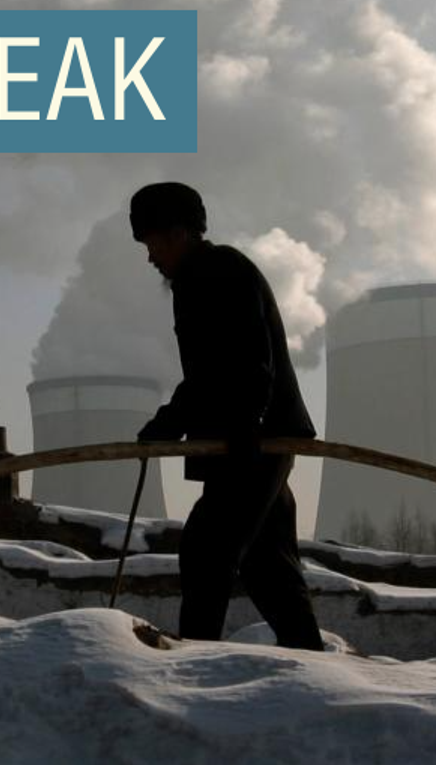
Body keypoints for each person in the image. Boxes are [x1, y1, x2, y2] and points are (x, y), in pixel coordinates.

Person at [129, 181, 324, 650]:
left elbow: (246, 365)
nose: (150, 256)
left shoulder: (219, 273)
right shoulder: (198, 278)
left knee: (205, 550)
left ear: (177, 233)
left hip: (254, 441)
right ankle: (311, 660)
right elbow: (208, 373)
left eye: (152, 242)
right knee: (266, 565)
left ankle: (195, 659)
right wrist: (169, 424)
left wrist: (233, 431)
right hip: (248, 441)